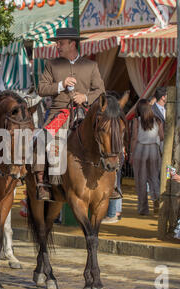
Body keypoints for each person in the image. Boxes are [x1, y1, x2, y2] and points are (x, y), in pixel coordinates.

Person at [35, 27, 105, 200]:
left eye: (61, 43)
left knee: (108, 139)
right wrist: (61, 85)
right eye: (57, 43)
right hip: (59, 112)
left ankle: (111, 185)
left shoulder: (91, 65)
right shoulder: (51, 64)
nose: (57, 46)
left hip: (85, 113)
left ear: (72, 44)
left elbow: (101, 90)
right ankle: (42, 184)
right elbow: (41, 88)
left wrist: (85, 97)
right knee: (41, 141)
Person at [130, 99, 164, 215]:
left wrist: (131, 154)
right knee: (154, 177)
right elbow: (162, 137)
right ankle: (156, 199)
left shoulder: (136, 121)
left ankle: (143, 208)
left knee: (141, 180)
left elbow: (134, 138)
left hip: (140, 149)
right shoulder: (158, 121)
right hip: (154, 149)